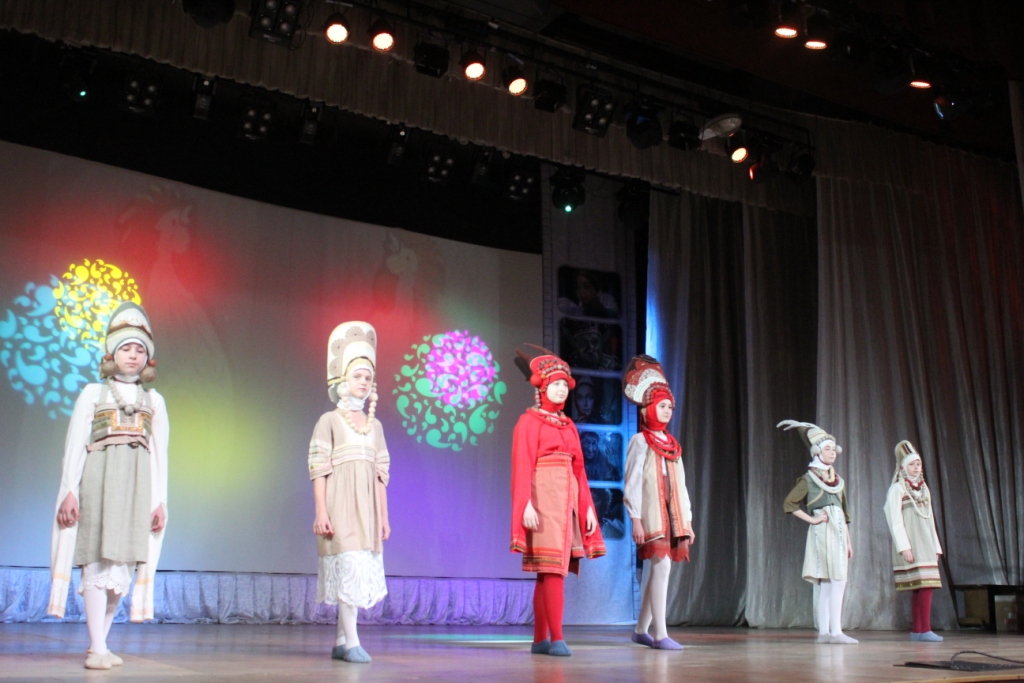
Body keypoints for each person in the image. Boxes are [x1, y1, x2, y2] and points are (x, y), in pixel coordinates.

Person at [48, 302, 169, 670]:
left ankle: (98, 645)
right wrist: (69, 489)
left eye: (139, 350)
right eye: (125, 348)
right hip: (100, 480)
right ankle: (97, 647)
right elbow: (74, 445)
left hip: (137, 485)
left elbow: (159, 455)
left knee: (123, 565)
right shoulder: (93, 393)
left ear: (147, 358)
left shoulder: (154, 401)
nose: (132, 356)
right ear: (112, 354)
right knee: (98, 560)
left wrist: (159, 501)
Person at [510, 345, 606, 657]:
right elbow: (523, 465)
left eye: (565, 384)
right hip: (544, 500)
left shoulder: (569, 426)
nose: (562, 388)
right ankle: (558, 638)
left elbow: (579, 470)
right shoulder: (529, 422)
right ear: (543, 387)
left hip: (567, 501)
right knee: (552, 570)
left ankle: (540, 639)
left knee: (547, 571)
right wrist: (525, 503)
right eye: (556, 383)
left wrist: (587, 508)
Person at [308, 322, 390, 664]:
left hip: (367, 510)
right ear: (343, 380)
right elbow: (319, 468)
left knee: (358, 567)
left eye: (368, 377)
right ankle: (353, 641)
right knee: (349, 567)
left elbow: (381, 474)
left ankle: (342, 641)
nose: (364, 382)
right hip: (340, 506)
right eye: (358, 376)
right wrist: (321, 511)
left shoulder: (376, 426)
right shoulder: (329, 421)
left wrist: (384, 517)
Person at [622, 355, 693, 650]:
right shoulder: (640, 441)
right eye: (662, 406)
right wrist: (635, 518)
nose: (666, 411)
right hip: (652, 513)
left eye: (669, 407)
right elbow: (632, 482)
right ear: (648, 408)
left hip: (672, 512)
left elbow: (682, 486)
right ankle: (661, 634)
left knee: (659, 568)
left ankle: (641, 629)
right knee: (661, 566)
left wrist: (687, 521)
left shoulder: (672, 445)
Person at [778, 420, 857, 644]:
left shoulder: (838, 481)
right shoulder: (809, 479)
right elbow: (789, 504)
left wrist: (848, 542)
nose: (832, 452)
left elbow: (844, 513)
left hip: (838, 532)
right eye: (827, 449)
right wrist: (813, 519)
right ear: (818, 452)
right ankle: (833, 632)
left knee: (832, 583)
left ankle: (826, 632)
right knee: (833, 581)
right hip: (823, 533)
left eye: (833, 449)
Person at [884, 440, 944, 642]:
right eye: (912, 464)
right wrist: (904, 547)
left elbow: (930, 518)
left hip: (926, 541)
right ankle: (924, 629)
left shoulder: (923, 489)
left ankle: (918, 631)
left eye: (918, 464)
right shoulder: (897, 489)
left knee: (923, 585)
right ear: (903, 467)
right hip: (911, 542)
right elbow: (894, 520)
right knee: (923, 585)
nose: (916, 467)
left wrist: (936, 546)